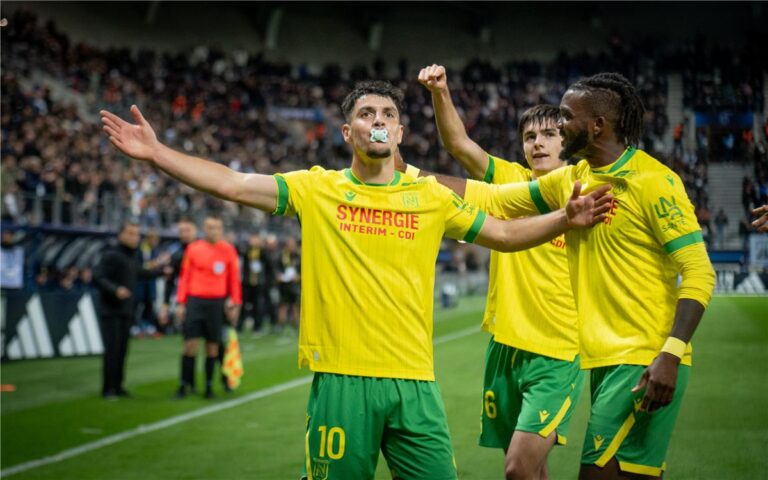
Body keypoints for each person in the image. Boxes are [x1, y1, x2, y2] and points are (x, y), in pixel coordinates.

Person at [100, 81, 611, 479]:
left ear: (400, 134)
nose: (378, 120)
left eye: (388, 114)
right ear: (348, 133)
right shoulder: (316, 189)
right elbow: (233, 183)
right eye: (367, 114)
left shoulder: (430, 198)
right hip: (342, 381)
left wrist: (564, 220)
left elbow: (502, 233)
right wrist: (159, 153)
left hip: (415, 384)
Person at [425, 72, 715, 479]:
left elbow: (699, 271)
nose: (558, 126)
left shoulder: (655, 182)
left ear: (597, 125)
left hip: (644, 356)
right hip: (603, 360)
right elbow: (491, 197)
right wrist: (407, 177)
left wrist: (671, 352)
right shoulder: (573, 180)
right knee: (633, 473)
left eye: (565, 117)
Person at [417, 64, 583, 480]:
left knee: (517, 468)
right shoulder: (510, 180)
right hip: (504, 346)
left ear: (567, 141)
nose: (537, 143)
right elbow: (458, 143)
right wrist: (440, 92)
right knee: (532, 470)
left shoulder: (584, 189)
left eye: (549, 135)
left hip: (558, 350)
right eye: (529, 137)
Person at [93, 221, 167, 399]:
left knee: (122, 350)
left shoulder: (133, 256)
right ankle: (108, 388)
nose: (135, 238)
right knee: (112, 350)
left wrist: (162, 271)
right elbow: (98, 277)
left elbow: (140, 273)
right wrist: (115, 289)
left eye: (137, 234)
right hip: (111, 310)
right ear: (121, 235)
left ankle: (118, 386)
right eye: (131, 234)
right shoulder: (111, 254)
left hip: (127, 310)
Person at [174, 215, 242, 399]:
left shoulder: (228, 250)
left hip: (216, 303)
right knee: (190, 345)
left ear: (222, 229)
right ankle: (184, 385)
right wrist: (181, 302)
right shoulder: (193, 249)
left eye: (217, 228)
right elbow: (185, 277)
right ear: (204, 229)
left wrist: (235, 302)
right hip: (195, 301)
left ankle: (209, 387)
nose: (214, 231)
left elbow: (234, 279)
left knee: (213, 346)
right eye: (210, 227)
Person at [159, 216, 197, 332]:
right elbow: (169, 282)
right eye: (181, 231)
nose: (184, 234)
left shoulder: (205, 251)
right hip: (185, 300)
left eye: (187, 230)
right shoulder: (176, 255)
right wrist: (165, 306)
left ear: (195, 230)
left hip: (207, 299)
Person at [239, 232, 273, 335]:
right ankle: (239, 327)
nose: (254, 241)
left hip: (259, 283)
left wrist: (267, 282)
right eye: (252, 239)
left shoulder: (263, 252)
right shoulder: (246, 251)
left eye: (256, 239)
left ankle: (257, 327)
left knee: (258, 306)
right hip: (247, 283)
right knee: (243, 305)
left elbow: (269, 267)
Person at [276, 236, 301, 334]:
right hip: (284, 285)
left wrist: (299, 277)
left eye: (292, 244)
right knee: (283, 305)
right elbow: (276, 268)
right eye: (289, 244)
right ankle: (280, 325)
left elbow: (303, 269)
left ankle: (297, 326)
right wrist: (278, 275)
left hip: (295, 284)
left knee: (296, 306)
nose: (291, 246)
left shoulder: (298, 256)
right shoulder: (282, 256)